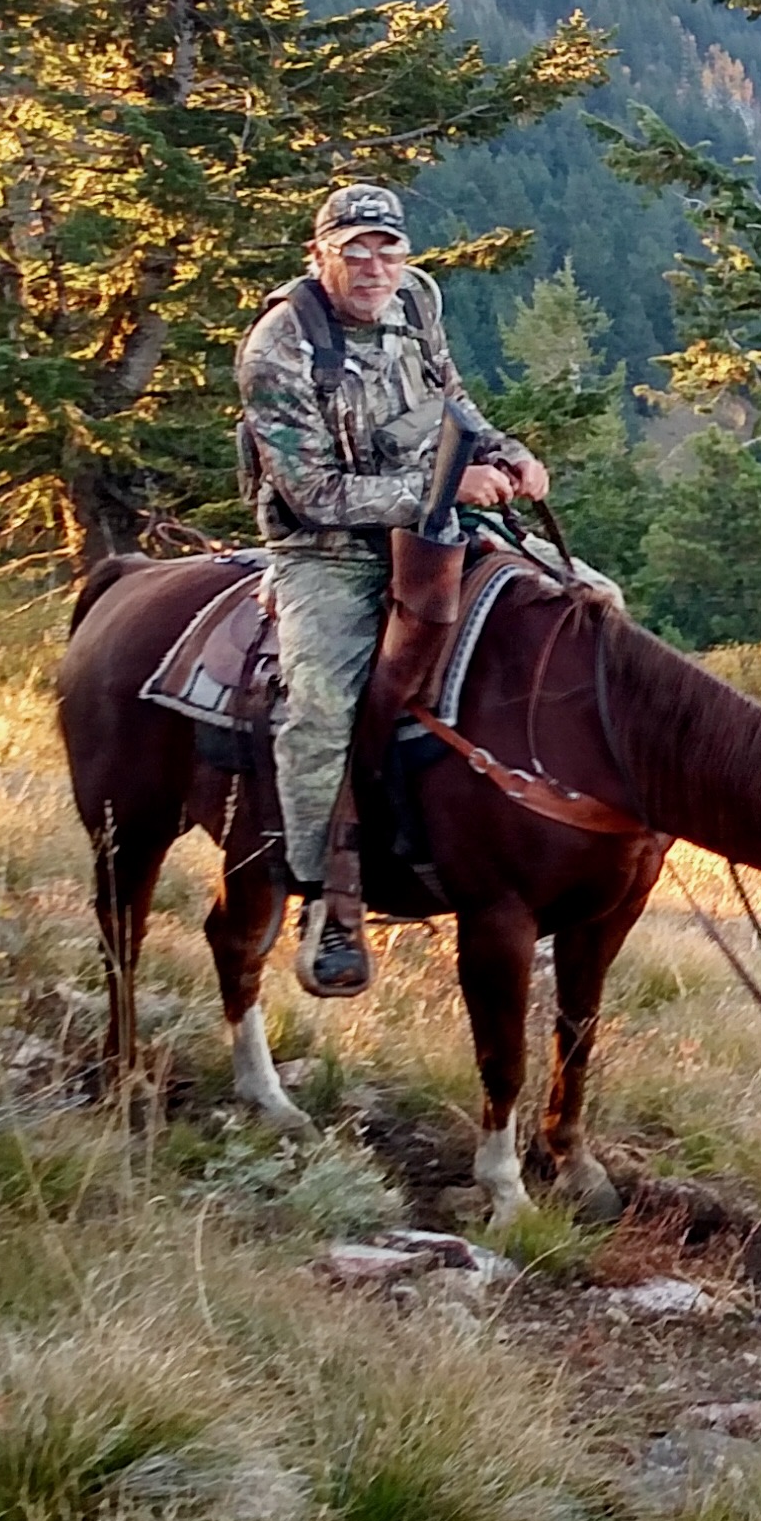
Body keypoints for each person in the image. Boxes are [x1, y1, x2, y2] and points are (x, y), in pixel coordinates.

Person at [240, 182, 547, 999]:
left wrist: (508, 453)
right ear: (320, 256)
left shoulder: (415, 303)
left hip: (431, 529)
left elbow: (451, 401)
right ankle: (318, 893)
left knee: (580, 604)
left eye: (388, 249)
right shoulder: (279, 347)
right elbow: (312, 494)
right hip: (327, 551)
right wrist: (444, 493)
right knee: (320, 705)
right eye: (355, 251)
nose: (375, 267)